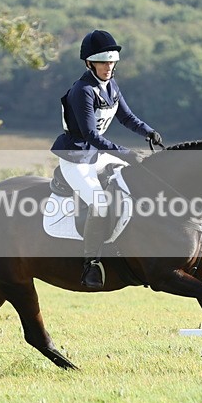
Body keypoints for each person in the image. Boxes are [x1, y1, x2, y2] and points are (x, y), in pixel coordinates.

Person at [51, 30, 163, 289]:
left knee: (137, 181)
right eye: (103, 63)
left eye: (111, 62)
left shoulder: (111, 85)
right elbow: (90, 135)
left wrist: (148, 131)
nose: (108, 67)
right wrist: (125, 153)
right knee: (100, 203)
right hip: (76, 158)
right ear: (89, 64)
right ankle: (90, 263)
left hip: (96, 155)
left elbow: (127, 117)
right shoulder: (83, 90)